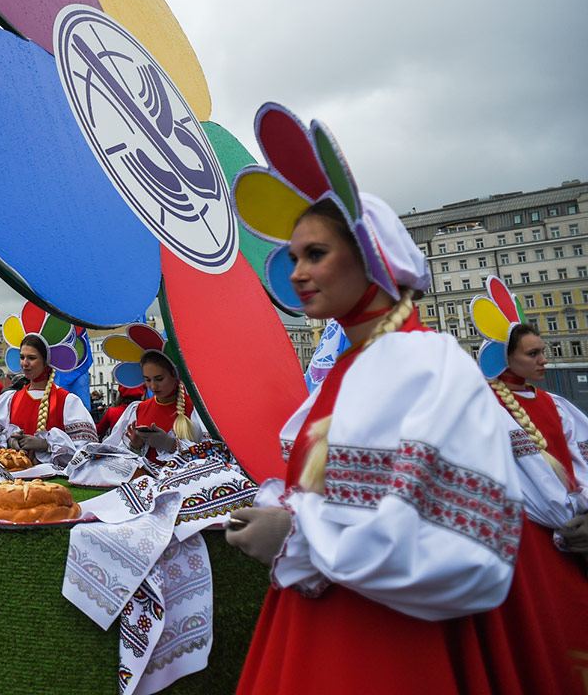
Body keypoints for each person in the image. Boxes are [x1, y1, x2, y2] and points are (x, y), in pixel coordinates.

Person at [224, 104, 525, 693]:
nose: (297, 273)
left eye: (316, 254)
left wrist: (299, 536)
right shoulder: (347, 369)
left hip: (386, 647)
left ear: (371, 257)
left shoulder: (429, 363)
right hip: (315, 626)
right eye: (293, 258)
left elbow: (473, 551)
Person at [470, 276, 588, 690]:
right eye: (533, 354)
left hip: (575, 540)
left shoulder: (559, 405)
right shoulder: (482, 405)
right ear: (507, 358)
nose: (544, 361)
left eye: (545, 352)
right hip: (524, 545)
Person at [0, 305, 95, 467]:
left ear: (45, 360)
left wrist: (46, 445)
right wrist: (10, 442)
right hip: (17, 481)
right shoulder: (10, 400)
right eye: (22, 357)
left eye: (31, 358)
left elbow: (86, 450)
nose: (24, 363)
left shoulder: (66, 401)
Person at [100, 345, 206, 464]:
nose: (153, 386)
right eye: (148, 380)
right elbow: (118, 455)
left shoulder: (196, 409)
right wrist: (135, 446)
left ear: (174, 374)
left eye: (159, 379)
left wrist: (171, 445)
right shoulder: (138, 409)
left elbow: (214, 454)